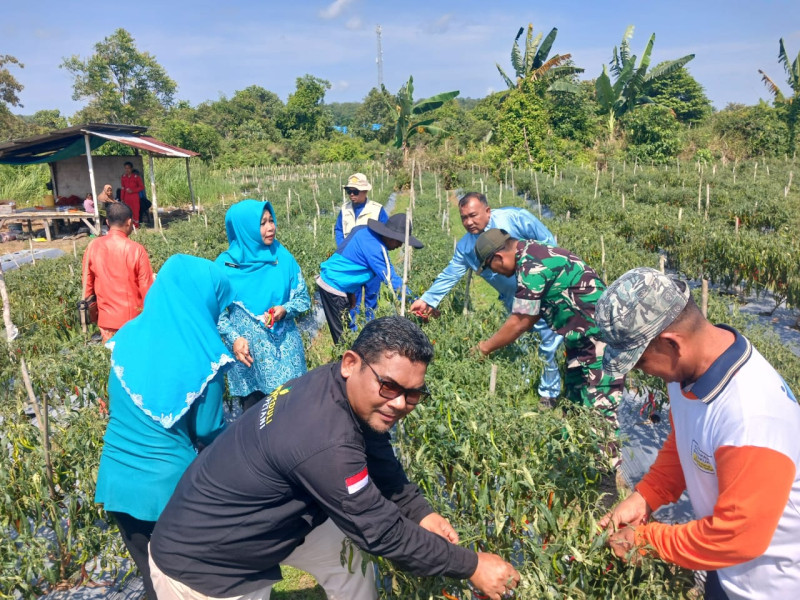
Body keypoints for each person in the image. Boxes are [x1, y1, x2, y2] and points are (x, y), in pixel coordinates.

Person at [148, 316, 520, 600]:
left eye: (413, 394)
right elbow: (381, 531)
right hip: (206, 562)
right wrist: (471, 565)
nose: (399, 403)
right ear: (350, 363)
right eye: (389, 386)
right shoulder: (324, 440)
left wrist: (421, 512)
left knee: (350, 563)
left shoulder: (339, 388)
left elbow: (378, 455)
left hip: (267, 517)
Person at [595, 267, 800, 600]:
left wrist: (646, 540)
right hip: (725, 570)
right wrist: (647, 495)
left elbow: (739, 538)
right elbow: (686, 440)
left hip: (770, 587)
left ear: (671, 343)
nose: (641, 371)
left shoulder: (751, 418)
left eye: (640, 361)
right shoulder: (687, 371)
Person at [95, 254, 236, 600]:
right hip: (168, 491)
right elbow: (207, 431)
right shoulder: (206, 354)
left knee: (151, 578)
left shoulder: (127, 337)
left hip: (117, 482)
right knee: (187, 583)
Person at [410, 192, 564, 401]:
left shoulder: (515, 218)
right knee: (523, 341)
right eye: (464, 218)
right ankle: (526, 382)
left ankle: (549, 393)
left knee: (547, 342)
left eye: (473, 215)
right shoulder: (466, 247)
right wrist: (427, 299)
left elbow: (548, 242)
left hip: (542, 292)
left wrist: (548, 278)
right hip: (512, 299)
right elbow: (451, 274)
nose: (468, 222)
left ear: (488, 211)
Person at [473, 228, 624, 423]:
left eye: (490, 267)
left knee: (599, 418)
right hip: (582, 340)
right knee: (574, 408)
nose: (494, 272)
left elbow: (521, 321)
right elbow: (533, 311)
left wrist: (484, 348)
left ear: (498, 257)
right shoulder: (532, 252)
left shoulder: (531, 267)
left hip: (600, 342)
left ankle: (601, 443)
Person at [216, 199, 311, 412]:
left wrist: (286, 309)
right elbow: (217, 313)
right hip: (248, 359)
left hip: (284, 354)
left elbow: (303, 297)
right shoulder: (224, 267)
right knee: (255, 419)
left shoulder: (282, 257)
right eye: (262, 223)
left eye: (271, 220)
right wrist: (234, 338)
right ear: (244, 228)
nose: (270, 228)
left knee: (290, 413)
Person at [317, 213, 422, 344]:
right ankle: (346, 355)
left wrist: (350, 290)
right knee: (343, 339)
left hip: (336, 282)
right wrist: (416, 302)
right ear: (390, 235)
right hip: (333, 287)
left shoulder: (363, 230)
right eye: (399, 241)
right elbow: (391, 280)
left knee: (348, 331)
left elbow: (345, 253)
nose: (399, 246)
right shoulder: (376, 249)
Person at [81, 202, 154, 342]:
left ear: (107, 222)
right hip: (133, 321)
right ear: (129, 222)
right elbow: (147, 289)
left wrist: (93, 314)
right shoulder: (136, 249)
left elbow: (87, 287)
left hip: (106, 321)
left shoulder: (92, 246)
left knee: (110, 354)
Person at [335, 172, 390, 330]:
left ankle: (370, 330)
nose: (351, 195)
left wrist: (376, 253)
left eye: (355, 191)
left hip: (371, 263)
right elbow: (338, 229)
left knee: (371, 297)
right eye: (349, 191)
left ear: (365, 191)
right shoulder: (344, 210)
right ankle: (352, 332)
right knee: (352, 299)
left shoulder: (377, 210)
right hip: (351, 264)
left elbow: (386, 234)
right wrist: (343, 248)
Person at [120, 161, 145, 226]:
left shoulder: (136, 177)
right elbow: (122, 188)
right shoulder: (123, 177)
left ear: (131, 168)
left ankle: (136, 226)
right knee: (127, 211)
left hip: (134, 197)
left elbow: (141, 187)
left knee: (135, 211)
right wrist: (122, 198)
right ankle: (129, 226)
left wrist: (133, 190)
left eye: (128, 168)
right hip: (126, 197)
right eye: (126, 168)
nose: (127, 170)